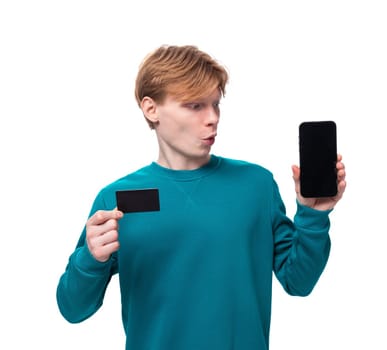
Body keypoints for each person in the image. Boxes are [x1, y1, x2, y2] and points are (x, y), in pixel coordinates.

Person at [56, 44, 347, 350]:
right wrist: (90, 259)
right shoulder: (118, 198)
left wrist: (313, 215)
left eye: (215, 104)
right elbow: (73, 309)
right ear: (151, 108)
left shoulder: (256, 185)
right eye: (194, 106)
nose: (212, 118)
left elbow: (298, 281)